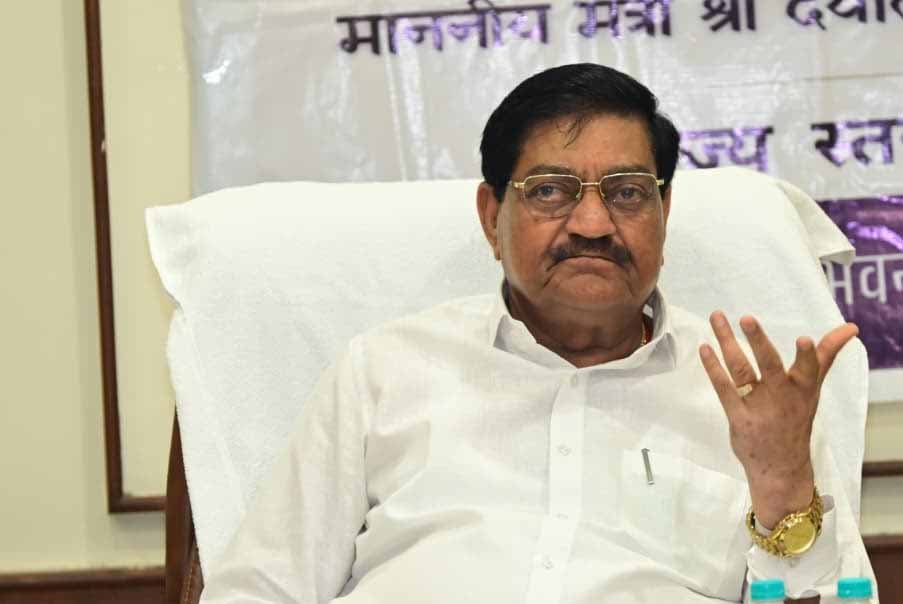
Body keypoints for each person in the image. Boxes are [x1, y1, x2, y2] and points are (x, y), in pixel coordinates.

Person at [200, 64, 876, 603]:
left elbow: (835, 598)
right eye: (550, 191)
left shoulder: (752, 403)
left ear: (663, 212)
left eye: (627, 192)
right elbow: (259, 589)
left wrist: (781, 486)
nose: (592, 224)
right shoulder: (384, 370)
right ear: (490, 216)